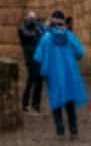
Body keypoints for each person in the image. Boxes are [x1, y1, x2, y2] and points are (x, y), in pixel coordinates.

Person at [33, 10, 87, 139]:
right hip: (69, 73)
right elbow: (80, 52)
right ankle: (74, 131)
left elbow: (38, 56)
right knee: (70, 103)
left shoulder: (46, 38)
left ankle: (60, 130)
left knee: (56, 102)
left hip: (53, 75)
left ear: (52, 22)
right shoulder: (69, 36)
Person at [17, 12, 46, 115]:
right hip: (30, 58)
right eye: (31, 17)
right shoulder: (23, 27)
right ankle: (27, 104)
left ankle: (35, 105)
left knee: (38, 79)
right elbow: (26, 34)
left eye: (34, 17)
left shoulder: (39, 27)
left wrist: (41, 25)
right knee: (32, 79)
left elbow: (44, 34)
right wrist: (35, 26)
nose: (33, 19)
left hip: (39, 57)